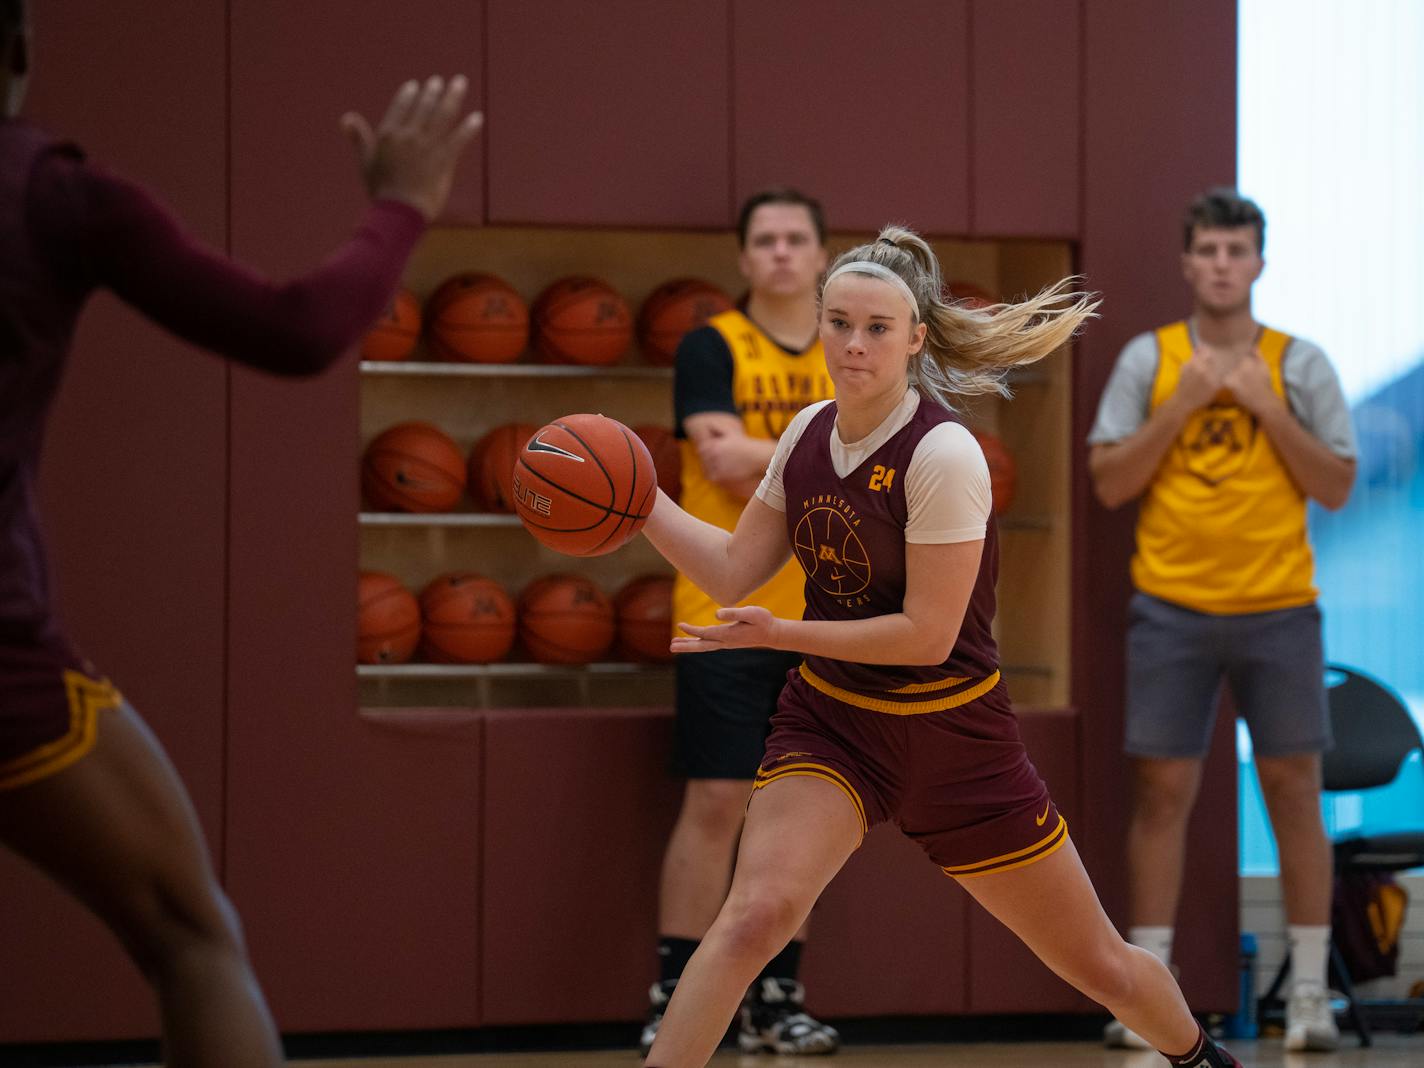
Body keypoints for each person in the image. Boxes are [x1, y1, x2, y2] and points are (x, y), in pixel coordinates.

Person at [0, 3, 481, 1063]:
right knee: (192, 939)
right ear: (24, 46)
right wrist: (400, 205)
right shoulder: (53, 192)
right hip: (5, 661)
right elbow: (297, 327)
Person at [637, 224, 1241, 1068]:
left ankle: (1203, 1060)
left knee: (1099, 965)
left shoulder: (945, 452)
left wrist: (785, 632)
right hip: (834, 724)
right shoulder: (807, 432)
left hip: (955, 737)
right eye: (839, 322)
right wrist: (639, 501)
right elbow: (736, 570)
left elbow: (927, 638)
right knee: (753, 916)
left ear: (916, 336)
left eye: (877, 327)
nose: (855, 344)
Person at [1088, 188, 1356, 1053]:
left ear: (1260, 262)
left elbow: (1339, 485)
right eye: (1206, 250)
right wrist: (1185, 401)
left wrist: (1266, 407)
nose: (1221, 265)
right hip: (1171, 607)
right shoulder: (1150, 358)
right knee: (1162, 794)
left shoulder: (1299, 361)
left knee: (1293, 793)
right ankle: (1145, 992)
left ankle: (1311, 996)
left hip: (1279, 608)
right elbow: (1110, 484)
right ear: (1186, 260)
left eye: (1236, 251)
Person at [643, 188, 839, 1057]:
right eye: (766, 240)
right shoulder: (710, 345)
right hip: (719, 607)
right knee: (718, 800)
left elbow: (885, 451)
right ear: (743, 257)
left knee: (799, 812)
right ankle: (674, 990)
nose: (783, 253)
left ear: (825, 252)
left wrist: (795, 452)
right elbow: (719, 462)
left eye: (798, 238)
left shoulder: (853, 342)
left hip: (828, 618)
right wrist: (838, 447)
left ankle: (777, 1000)